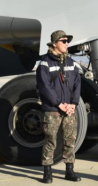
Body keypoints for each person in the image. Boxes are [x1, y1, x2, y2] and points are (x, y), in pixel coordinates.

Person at [36, 30, 81, 183]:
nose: (67, 43)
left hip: (69, 109)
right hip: (53, 110)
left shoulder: (71, 62)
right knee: (50, 141)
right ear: (55, 43)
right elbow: (44, 87)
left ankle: (69, 171)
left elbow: (77, 84)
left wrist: (73, 104)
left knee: (70, 140)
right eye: (64, 41)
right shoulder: (45, 63)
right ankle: (47, 173)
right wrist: (59, 104)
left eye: (68, 40)